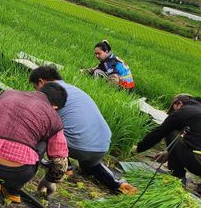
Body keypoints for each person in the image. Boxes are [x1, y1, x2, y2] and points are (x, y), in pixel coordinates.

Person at [28, 66, 137, 196]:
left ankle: (63, 168)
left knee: (44, 130)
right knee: (90, 165)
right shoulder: (74, 90)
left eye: (35, 87)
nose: (36, 91)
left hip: (78, 146)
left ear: (41, 82)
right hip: (101, 147)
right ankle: (118, 185)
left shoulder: (50, 94)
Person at [0, 84, 70, 204]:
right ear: (55, 106)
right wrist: (50, 180)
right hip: (17, 173)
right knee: (43, 140)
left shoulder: (6, 94)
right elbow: (59, 160)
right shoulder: (54, 117)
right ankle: (12, 190)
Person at [133, 94, 201, 196]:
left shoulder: (183, 111)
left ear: (179, 103)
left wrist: (138, 148)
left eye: (173, 109)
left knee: (171, 131)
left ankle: (177, 175)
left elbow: (159, 133)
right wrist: (169, 152)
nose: (173, 113)